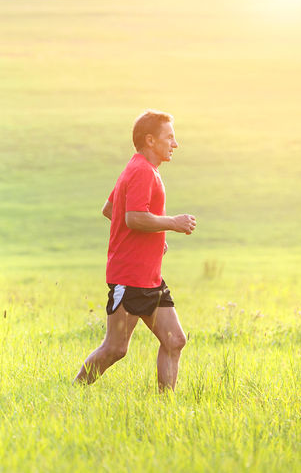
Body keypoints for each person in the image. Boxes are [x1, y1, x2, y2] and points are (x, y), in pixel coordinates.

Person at [75, 110, 196, 391]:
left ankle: (165, 406)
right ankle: (74, 391)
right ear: (150, 140)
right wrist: (172, 224)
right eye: (170, 137)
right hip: (129, 278)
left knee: (175, 340)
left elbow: (110, 210)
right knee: (115, 348)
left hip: (148, 277)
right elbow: (132, 217)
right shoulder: (142, 171)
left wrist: (153, 236)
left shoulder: (139, 167)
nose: (175, 144)